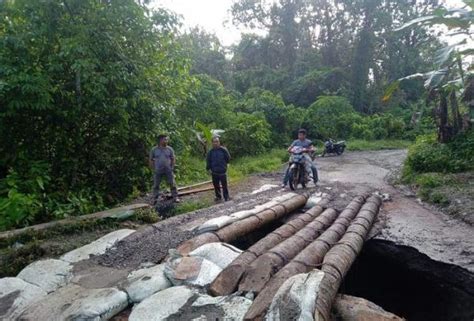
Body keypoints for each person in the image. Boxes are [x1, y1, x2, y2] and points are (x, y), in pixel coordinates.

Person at [149, 134, 179, 203]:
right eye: (165, 139)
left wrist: (172, 167)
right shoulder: (154, 150)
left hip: (168, 169)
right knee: (156, 185)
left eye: (167, 139)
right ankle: (155, 198)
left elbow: (173, 158)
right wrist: (153, 168)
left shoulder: (170, 149)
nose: (166, 141)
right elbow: (151, 159)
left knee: (172, 183)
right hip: (158, 170)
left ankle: (175, 197)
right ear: (160, 140)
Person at [206, 136, 231, 202]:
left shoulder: (223, 150)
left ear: (219, 142)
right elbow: (208, 161)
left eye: (217, 142)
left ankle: (226, 197)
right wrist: (208, 169)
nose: (215, 143)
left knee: (224, 185)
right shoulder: (210, 152)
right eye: (214, 142)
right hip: (214, 172)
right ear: (212, 143)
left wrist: (227, 165)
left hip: (222, 171)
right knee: (216, 186)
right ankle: (218, 197)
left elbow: (228, 158)